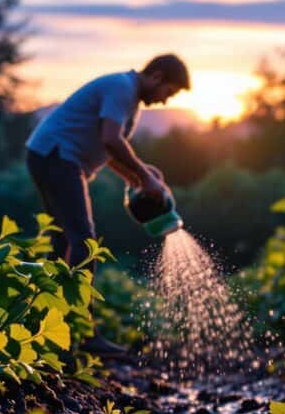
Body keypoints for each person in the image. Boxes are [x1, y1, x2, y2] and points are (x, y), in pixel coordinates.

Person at [25, 54, 191, 355]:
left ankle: (49, 325)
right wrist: (144, 176)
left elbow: (110, 152)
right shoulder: (121, 88)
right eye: (169, 92)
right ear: (156, 76)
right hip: (56, 156)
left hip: (53, 156)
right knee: (83, 243)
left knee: (64, 241)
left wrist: (139, 178)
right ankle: (84, 333)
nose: (166, 101)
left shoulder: (129, 100)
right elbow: (111, 140)